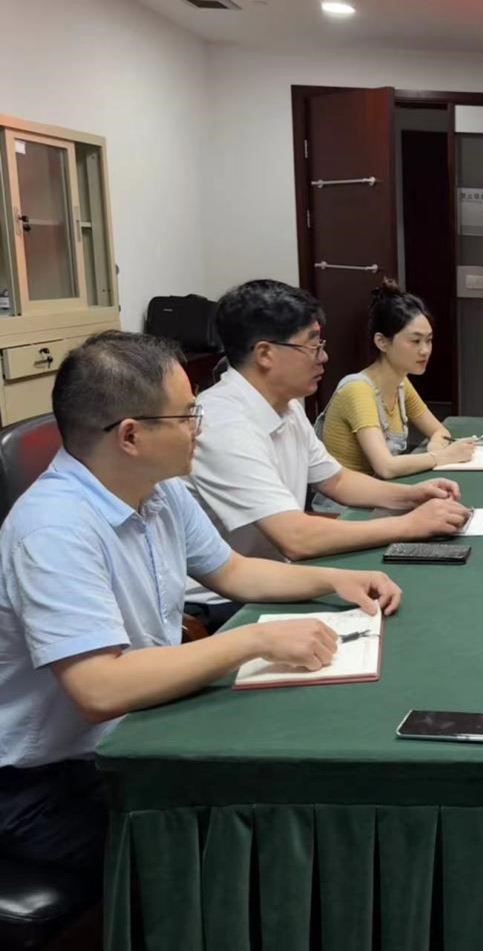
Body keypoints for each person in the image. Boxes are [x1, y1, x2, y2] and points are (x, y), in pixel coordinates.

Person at [0, 331, 402, 900]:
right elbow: (99, 687)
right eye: (187, 415)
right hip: (46, 783)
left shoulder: (158, 490)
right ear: (131, 435)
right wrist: (252, 643)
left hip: (135, 734)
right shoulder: (54, 530)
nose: (199, 428)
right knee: (250, 848)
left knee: (285, 802)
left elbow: (234, 572)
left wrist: (335, 580)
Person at [185, 280, 472, 630]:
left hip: (280, 575)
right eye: (312, 344)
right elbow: (296, 538)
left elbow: (336, 480)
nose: (323, 356)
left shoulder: (286, 406)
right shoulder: (224, 424)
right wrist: (409, 525)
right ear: (265, 354)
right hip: (226, 605)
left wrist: (412, 495)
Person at [316, 280, 475, 483]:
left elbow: (438, 430)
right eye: (415, 341)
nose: (425, 350)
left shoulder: (401, 383)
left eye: (429, 340)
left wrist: (436, 445)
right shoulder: (357, 390)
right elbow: (386, 467)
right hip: (345, 500)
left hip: (380, 491)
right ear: (382, 342)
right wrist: (442, 456)